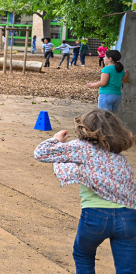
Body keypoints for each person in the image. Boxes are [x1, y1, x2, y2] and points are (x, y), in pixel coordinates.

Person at [34, 109, 136, 273]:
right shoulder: (120, 159)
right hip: (129, 217)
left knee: (83, 255)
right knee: (128, 268)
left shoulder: (82, 147)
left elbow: (41, 153)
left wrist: (56, 139)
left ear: (83, 129)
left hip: (96, 216)